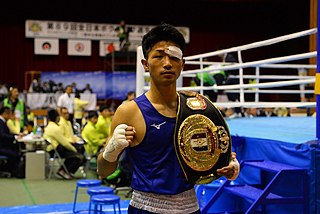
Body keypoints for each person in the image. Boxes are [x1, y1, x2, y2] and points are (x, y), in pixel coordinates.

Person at [97, 23, 240, 213]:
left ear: (182, 64)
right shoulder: (129, 112)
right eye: (158, 56)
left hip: (190, 207)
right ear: (145, 64)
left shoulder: (196, 107)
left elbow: (212, 157)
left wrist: (228, 166)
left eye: (174, 57)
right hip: (146, 208)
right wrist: (112, 149)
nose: (167, 63)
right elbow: (104, 171)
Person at [43, 109, 85, 180]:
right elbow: (64, 143)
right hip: (55, 150)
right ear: (57, 117)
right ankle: (63, 171)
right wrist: (74, 149)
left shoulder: (49, 127)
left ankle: (65, 170)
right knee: (79, 156)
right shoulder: (55, 129)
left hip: (54, 149)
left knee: (77, 153)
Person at [0, 106, 22, 177]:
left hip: (4, 145)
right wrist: (14, 137)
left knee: (16, 148)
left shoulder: (3, 122)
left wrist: (16, 135)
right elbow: (2, 135)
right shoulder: (1, 123)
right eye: (9, 114)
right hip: (1, 147)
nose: (10, 116)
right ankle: (12, 170)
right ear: (5, 114)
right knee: (15, 154)